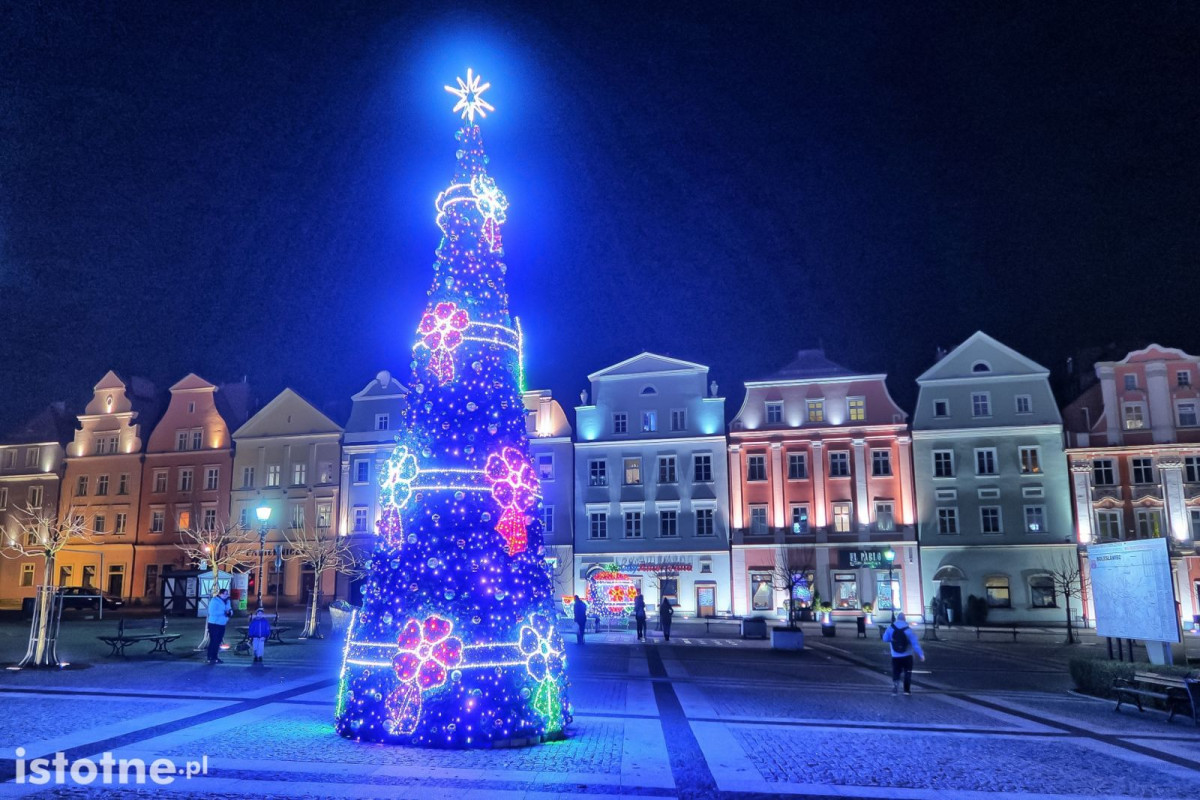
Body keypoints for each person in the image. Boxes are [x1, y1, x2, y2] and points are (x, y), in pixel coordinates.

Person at [882, 612, 925, 695]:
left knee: (896, 671)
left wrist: (893, 640)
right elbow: (915, 644)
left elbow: (884, 639)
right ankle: (906, 690)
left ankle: (895, 685)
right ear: (905, 619)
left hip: (895, 655)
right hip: (907, 655)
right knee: (907, 672)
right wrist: (921, 654)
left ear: (897, 619)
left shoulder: (891, 628)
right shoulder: (909, 629)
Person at [206, 588, 232, 664]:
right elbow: (211, 612)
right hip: (214, 623)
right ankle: (210, 657)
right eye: (224, 594)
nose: (225, 595)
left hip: (222, 623)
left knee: (218, 641)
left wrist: (230, 613)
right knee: (214, 640)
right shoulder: (214, 601)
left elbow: (229, 609)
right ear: (220, 594)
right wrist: (224, 612)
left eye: (226, 594)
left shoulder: (227, 601)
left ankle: (215, 657)